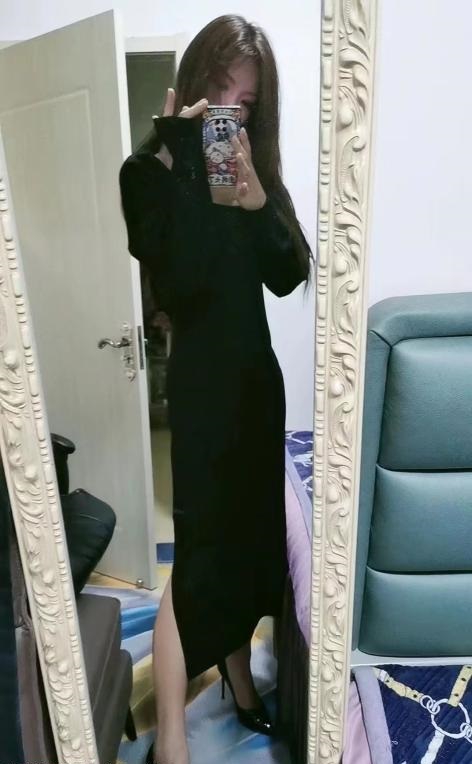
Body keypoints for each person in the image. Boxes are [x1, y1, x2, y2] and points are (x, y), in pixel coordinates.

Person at [119, 14, 312, 764]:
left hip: (256, 388)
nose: (228, 110)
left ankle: (238, 678)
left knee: (250, 545)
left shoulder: (251, 174)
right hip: (200, 392)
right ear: (194, 80)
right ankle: (172, 736)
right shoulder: (149, 172)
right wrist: (178, 161)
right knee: (200, 556)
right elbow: (176, 279)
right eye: (219, 90)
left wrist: (256, 200)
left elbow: (288, 274)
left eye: (246, 102)